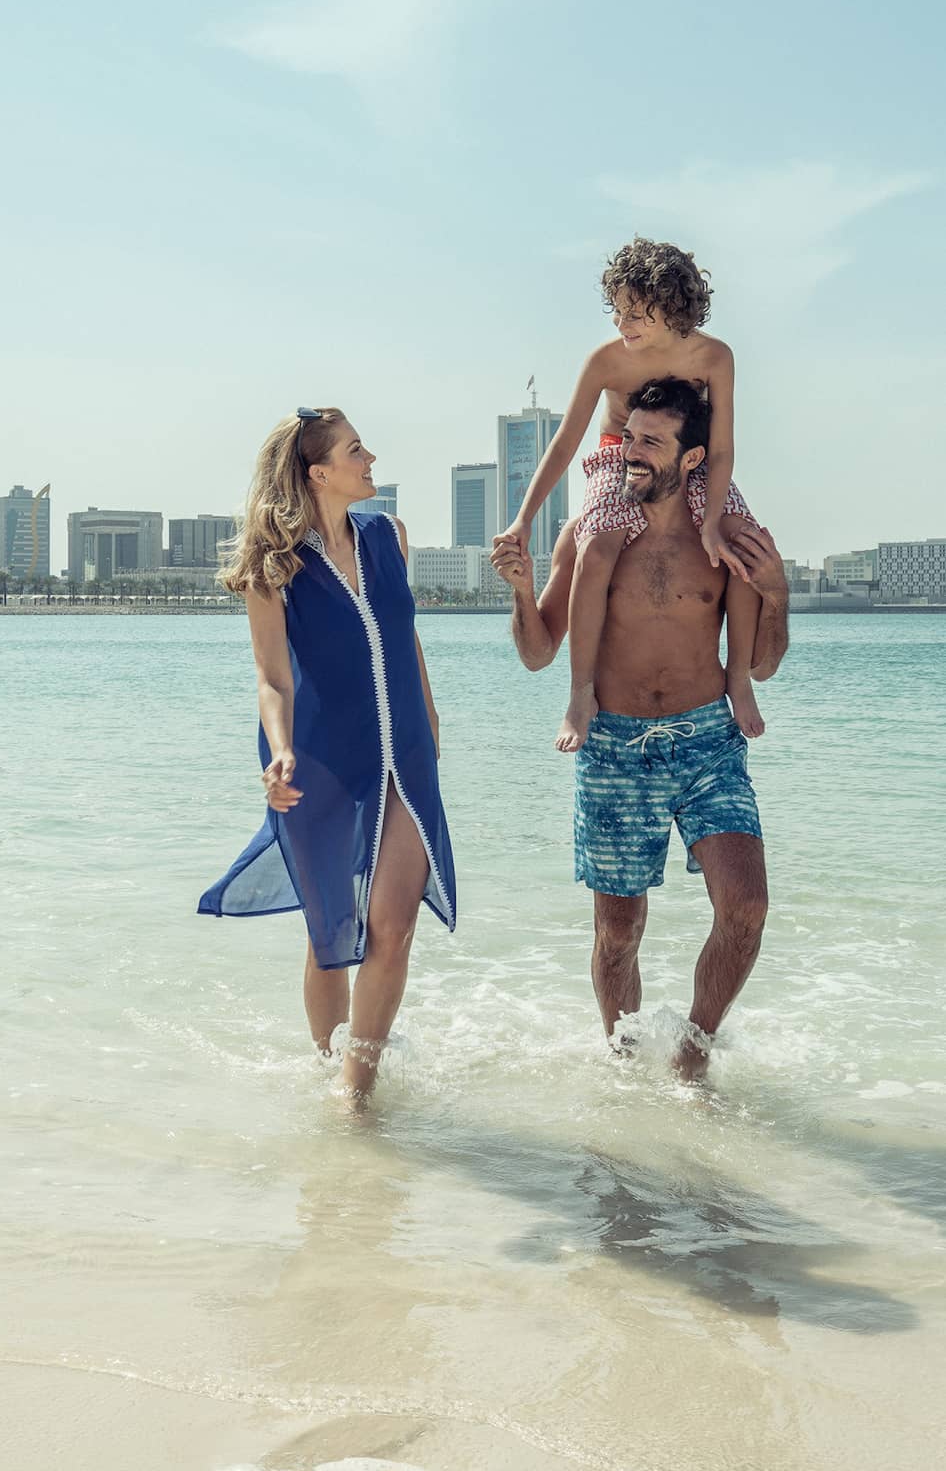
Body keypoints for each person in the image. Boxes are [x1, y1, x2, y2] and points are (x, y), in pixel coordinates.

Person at [492, 377, 790, 1081]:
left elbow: (764, 665)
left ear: (693, 459)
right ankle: (623, 1064)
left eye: (652, 442)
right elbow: (538, 653)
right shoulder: (590, 535)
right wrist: (520, 588)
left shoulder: (726, 538)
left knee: (746, 907)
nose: (632, 452)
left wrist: (775, 593)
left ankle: (694, 1052)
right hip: (614, 745)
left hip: (708, 741)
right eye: (630, 437)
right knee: (617, 933)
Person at [198, 407, 456, 1100]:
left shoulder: (388, 537)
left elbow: (407, 639)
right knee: (331, 935)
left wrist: (430, 721)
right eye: (355, 450)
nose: (371, 457)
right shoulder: (271, 566)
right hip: (319, 760)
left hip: (405, 756)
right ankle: (326, 1063)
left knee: (393, 924)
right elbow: (272, 678)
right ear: (318, 473)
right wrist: (280, 752)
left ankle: (355, 1092)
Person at [494, 238, 764, 753]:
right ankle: (580, 694)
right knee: (596, 544)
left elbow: (723, 449)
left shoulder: (714, 356)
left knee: (740, 541)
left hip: (691, 458)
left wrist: (710, 523)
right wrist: (523, 519)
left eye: (635, 313)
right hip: (619, 457)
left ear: (672, 308)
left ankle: (739, 681)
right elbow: (564, 442)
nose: (622, 324)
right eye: (617, 312)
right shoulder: (607, 361)